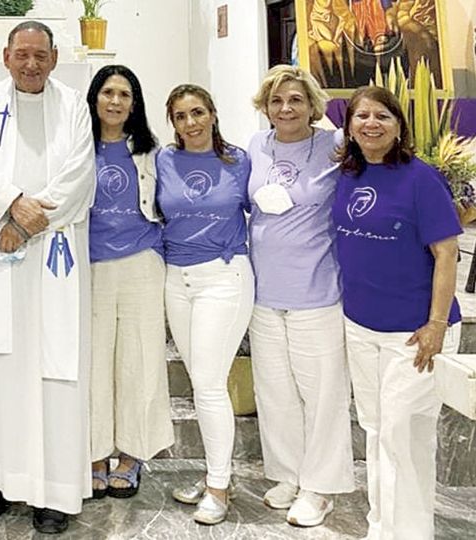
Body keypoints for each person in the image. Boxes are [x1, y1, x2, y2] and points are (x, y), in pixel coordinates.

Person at [0, 21, 96, 535]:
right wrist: (11, 207)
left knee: (53, 370)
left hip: (52, 252)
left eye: (40, 55)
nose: (31, 64)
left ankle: (52, 491)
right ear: (5, 55)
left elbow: (80, 171)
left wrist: (30, 221)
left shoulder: (74, 103)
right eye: (22, 54)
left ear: (54, 58)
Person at [332, 85, 462, 540]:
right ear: (349, 126)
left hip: (414, 331)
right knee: (374, 430)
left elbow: (447, 254)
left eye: (382, 116)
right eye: (362, 116)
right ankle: (380, 526)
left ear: (398, 125)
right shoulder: (347, 174)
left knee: (404, 438)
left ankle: (409, 533)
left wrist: (436, 325)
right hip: (360, 325)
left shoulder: (420, 178)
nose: (371, 124)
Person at [246, 64, 354, 527]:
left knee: (323, 393)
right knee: (275, 393)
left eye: (295, 100)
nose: (285, 108)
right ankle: (288, 474)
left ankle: (320, 486)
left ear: (312, 104)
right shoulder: (255, 145)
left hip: (317, 289)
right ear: (265, 108)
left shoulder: (335, 146)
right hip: (264, 293)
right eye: (276, 101)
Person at [157, 84, 254, 525]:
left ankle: (218, 486)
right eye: (180, 116)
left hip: (224, 278)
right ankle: (218, 473)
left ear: (213, 114)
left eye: (198, 112)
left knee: (211, 385)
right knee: (201, 382)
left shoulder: (239, 161)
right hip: (177, 280)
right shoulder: (163, 161)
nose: (190, 122)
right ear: (172, 123)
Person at [85, 65, 173, 500]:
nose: (115, 101)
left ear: (134, 104)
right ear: (95, 98)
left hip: (141, 262)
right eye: (108, 92)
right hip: (91, 266)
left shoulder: (151, 151)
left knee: (140, 361)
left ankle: (132, 454)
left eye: (125, 94)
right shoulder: (78, 147)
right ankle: (96, 453)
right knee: (95, 363)